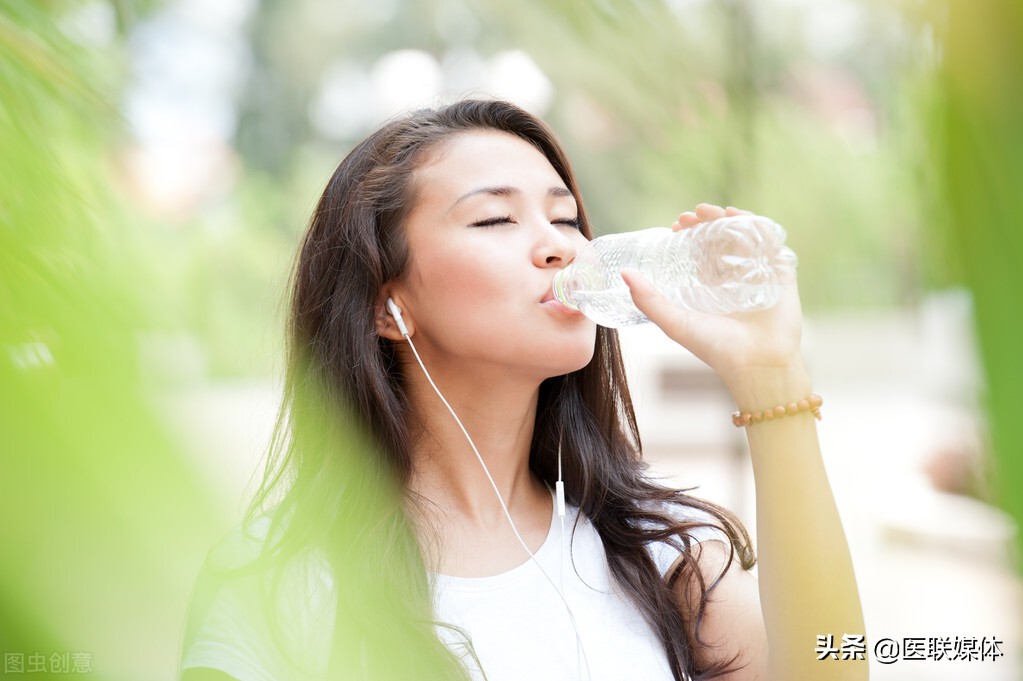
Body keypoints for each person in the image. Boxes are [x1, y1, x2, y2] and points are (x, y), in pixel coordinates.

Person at [179, 99, 866, 681]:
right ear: (385, 308)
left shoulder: (662, 562)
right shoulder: (279, 587)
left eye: (564, 218)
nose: (559, 246)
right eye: (494, 220)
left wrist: (771, 373)